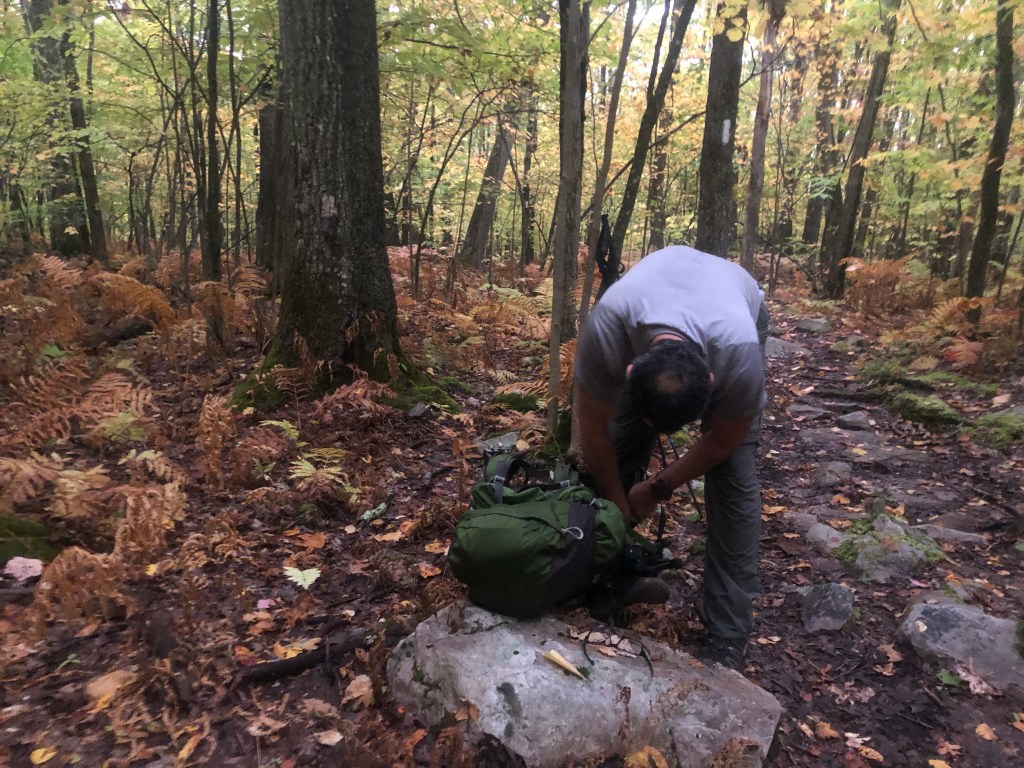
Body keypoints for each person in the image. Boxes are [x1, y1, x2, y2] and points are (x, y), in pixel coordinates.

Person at [574, 245, 769, 671]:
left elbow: (722, 441)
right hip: (650, 309)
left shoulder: (739, 354)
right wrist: (618, 501)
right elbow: (593, 430)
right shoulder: (609, 327)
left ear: (713, 383)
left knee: (733, 477)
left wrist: (657, 488)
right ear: (629, 372)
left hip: (737, 303)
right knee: (622, 438)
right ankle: (611, 571)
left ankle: (728, 632)